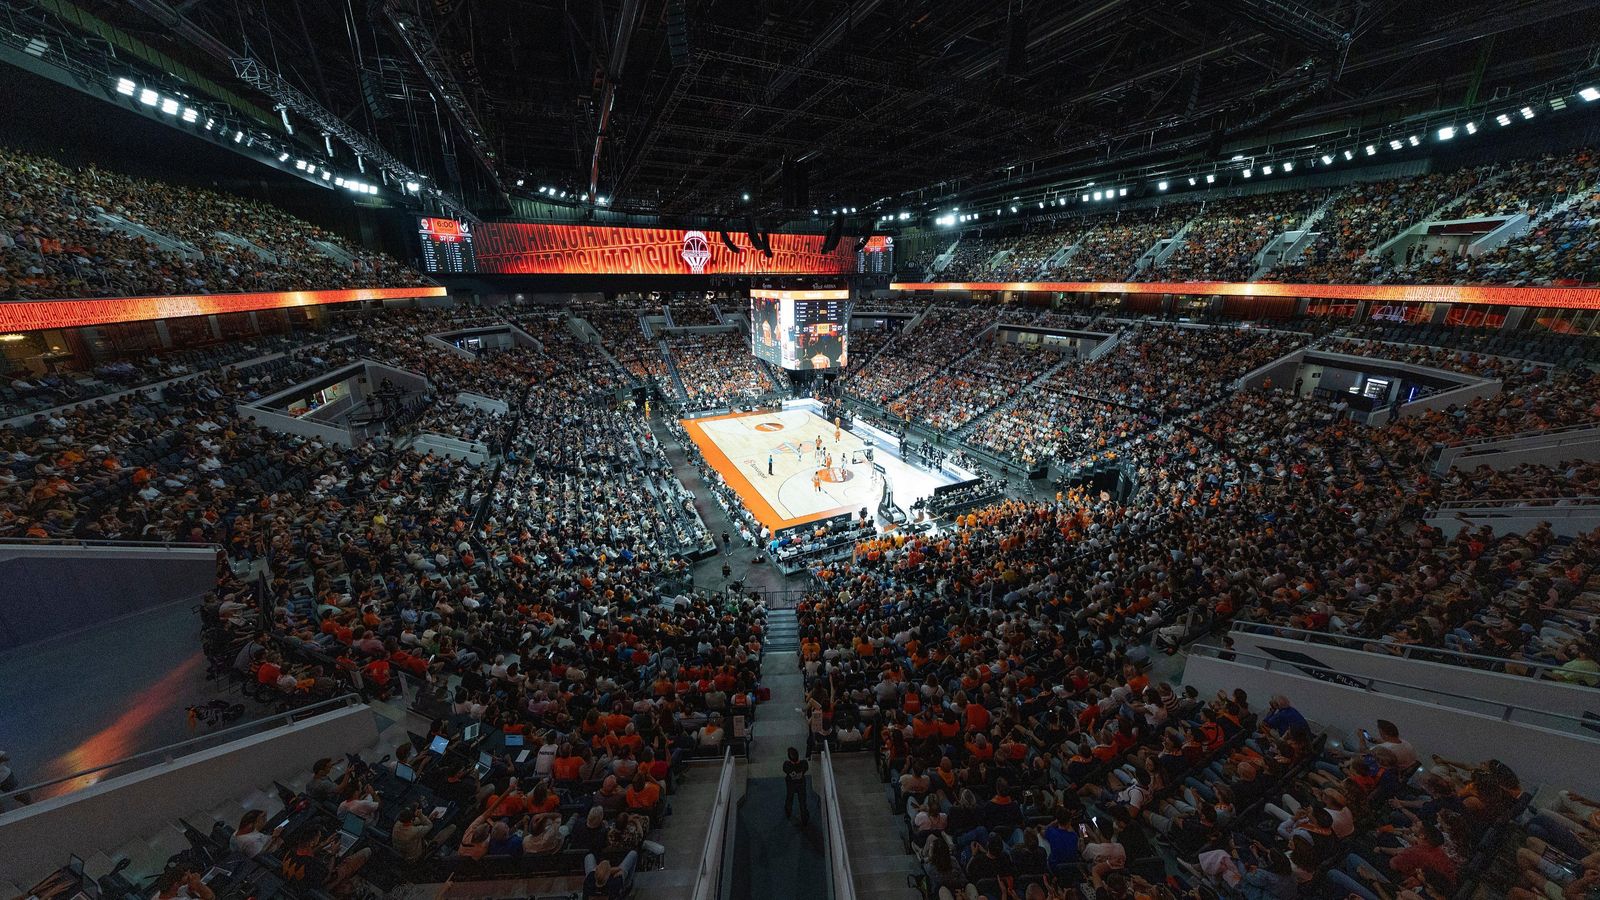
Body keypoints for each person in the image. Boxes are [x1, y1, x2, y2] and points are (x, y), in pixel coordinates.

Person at [784, 746, 810, 824]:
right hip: (801, 785)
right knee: (802, 801)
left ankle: (788, 812)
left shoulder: (786, 765)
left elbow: (785, 771)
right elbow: (806, 769)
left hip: (791, 785)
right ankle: (804, 818)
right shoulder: (804, 763)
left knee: (789, 798)